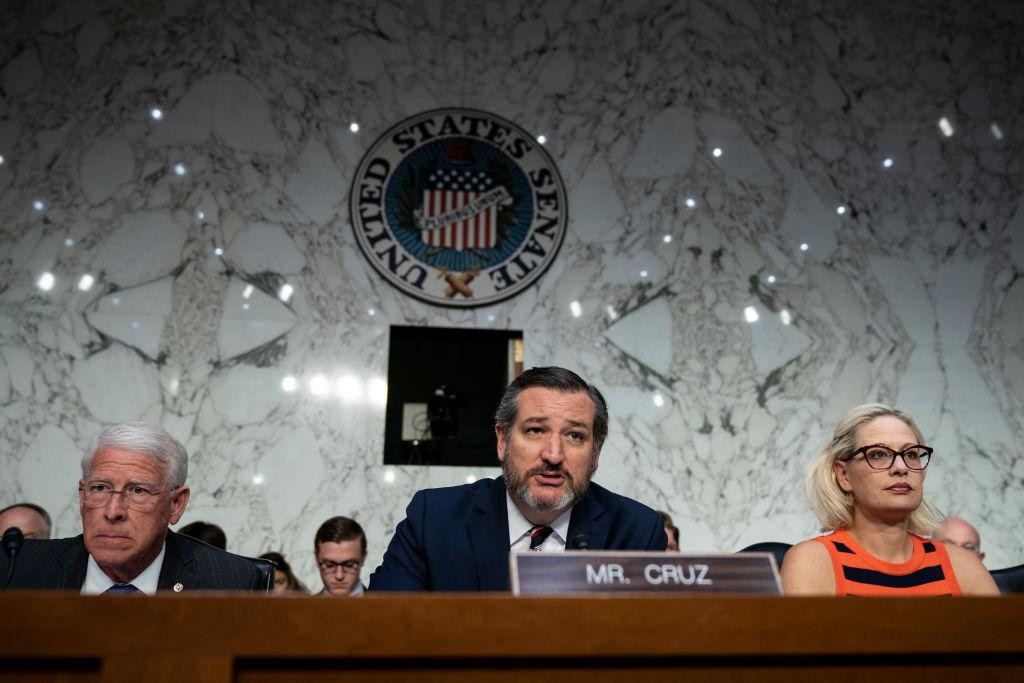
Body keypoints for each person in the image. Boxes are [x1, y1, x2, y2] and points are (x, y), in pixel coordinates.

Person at [370, 366, 667, 592]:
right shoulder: (434, 519)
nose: (553, 455)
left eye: (575, 436)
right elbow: (380, 629)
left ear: (596, 452)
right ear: (503, 440)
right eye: (535, 430)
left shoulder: (636, 532)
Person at [0, 423, 270, 593]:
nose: (113, 511)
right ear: (82, 496)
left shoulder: (228, 583)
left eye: (138, 491)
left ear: (176, 504)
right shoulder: (16, 569)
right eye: (100, 488)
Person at [780, 404, 998, 596]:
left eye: (911, 454)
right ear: (844, 475)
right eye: (878, 454)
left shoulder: (963, 565)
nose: (901, 467)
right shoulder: (813, 561)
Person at [314, 516, 367, 597]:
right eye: (329, 565)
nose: (339, 576)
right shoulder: (300, 609)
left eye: (349, 565)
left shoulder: (385, 608)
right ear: (317, 559)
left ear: (363, 558)